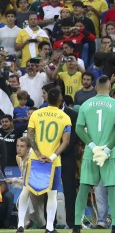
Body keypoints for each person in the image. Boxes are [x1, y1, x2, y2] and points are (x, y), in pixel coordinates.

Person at [71, 75, 115, 233]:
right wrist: (106, 149)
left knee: (83, 188)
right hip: (110, 153)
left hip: (90, 153)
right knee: (113, 189)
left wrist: (94, 147)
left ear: (95, 87)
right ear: (110, 87)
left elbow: (79, 129)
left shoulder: (86, 105)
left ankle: (75, 226)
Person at [18, 87, 71, 233]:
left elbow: (29, 136)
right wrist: (52, 157)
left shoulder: (36, 114)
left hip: (35, 159)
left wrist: (37, 153)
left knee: (26, 191)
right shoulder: (65, 117)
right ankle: (49, 227)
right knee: (52, 194)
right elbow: (65, 142)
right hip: (53, 162)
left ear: (47, 98)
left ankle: (20, 225)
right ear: (60, 99)